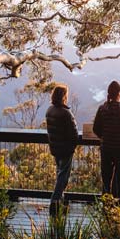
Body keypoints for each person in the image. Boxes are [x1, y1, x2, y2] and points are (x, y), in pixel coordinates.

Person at [92, 80, 120, 206]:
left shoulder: (102, 109)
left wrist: (104, 137)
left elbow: (96, 128)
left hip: (106, 148)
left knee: (106, 177)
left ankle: (106, 204)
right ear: (119, 93)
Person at [45, 83, 79, 217]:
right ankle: (54, 202)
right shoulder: (65, 113)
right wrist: (73, 146)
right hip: (65, 149)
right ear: (63, 96)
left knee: (60, 174)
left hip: (55, 148)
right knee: (63, 177)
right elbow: (74, 133)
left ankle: (61, 202)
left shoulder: (49, 110)